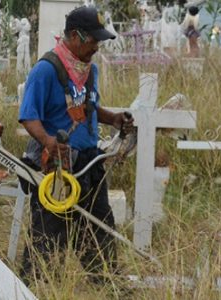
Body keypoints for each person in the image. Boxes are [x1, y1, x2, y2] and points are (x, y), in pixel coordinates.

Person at [18, 6, 134, 284]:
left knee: (99, 225)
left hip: (89, 163)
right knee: (50, 230)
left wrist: (114, 119)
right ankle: (36, 284)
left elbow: (89, 107)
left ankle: (105, 281)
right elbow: (28, 116)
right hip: (59, 165)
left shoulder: (90, 71)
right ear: (74, 35)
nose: (97, 46)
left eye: (99, 40)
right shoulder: (46, 70)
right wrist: (47, 141)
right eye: (93, 39)